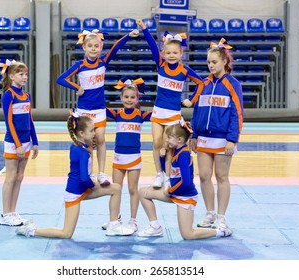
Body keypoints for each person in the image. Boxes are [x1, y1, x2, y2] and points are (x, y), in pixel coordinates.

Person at [15, 112, 134, 238]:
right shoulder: (81, 151)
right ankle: (31, 231)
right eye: (92, 131)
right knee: (66, 233)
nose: (94, 133)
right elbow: (83, 178)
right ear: (82, 133)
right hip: (75, 193)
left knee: (116, 188)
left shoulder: (79, 146)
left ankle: (114, 225)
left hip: (83, 188)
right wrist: (94, 184)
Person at [57, 28, 139, 186]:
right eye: (90, 46)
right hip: (84, 110)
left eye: (96, 46)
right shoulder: (79, 65)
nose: (93, 49)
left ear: (100, 48)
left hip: (99, 109)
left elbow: (115, 47)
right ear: (84, 47)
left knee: (100, 138)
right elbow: (61, 79)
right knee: (88, 142)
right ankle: (90, 172)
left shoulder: (103, 62)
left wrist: (128, 36)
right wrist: (76, 87)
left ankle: (101, 172)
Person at [135, 19, 204, 189]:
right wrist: (144, 29)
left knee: (168, 145)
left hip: (173, 113)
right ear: (164, 53)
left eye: (175, 52)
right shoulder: (161, 64)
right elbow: (152, 44)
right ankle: (159, 174)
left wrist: (191, 100)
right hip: (158, 112)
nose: (171, 55)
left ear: (181, 53)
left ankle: (167, 175)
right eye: (168, 52)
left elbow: (201, 83)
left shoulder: (184, 70)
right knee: (157, 143)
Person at [137, 121, 231, 239]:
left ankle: (220, 231)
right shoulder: (175, 151)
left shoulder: (184, 154)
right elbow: (169, 172)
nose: (166, 140)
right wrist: (162, 158)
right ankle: (155, 226)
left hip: (185, 196)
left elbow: (186, 183)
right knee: (142, 192)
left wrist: (170, 190)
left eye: (169, 138)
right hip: (175, 193)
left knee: (188, 235)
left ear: (180, 140)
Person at [189, 38, 244, 232]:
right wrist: (193, 134)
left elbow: (237, 113)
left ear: (224, 62)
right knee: (204, 176)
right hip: (203, 137)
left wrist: (232, 139)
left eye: (214, 62)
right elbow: (196, 110)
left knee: (221, 176)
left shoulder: (232, 84)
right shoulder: (203, 84)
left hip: (223, 139)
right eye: (208, 62)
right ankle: (210, 213)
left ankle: (221, 217)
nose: (211, 65)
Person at [102, 77, 152, 232]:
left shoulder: (141, 115)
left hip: (134, 157)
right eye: (126, 97)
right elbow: (97, 107)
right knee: (115, 189)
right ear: (121, 98)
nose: (129, 100)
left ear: (137, 98)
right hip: (118, 157)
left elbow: (160, 115)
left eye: (132, 97)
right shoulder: (117, 113)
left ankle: (133, 220)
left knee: (132, 189)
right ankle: (115, 218)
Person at [0, 59, 39, 226]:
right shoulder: (9, 95)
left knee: (20, 177)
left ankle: (13, 212)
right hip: (13, 143)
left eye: (26, 74)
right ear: (12, 76)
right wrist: (18, 145)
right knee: (10, 177)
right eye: (21, 74)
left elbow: (30, 120)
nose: (25, 77)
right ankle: (6, 213)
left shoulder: (26, 95)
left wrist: (35, 141)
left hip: (26, 142)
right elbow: (9, 122)